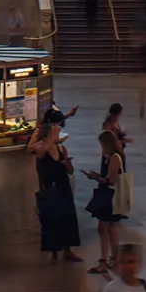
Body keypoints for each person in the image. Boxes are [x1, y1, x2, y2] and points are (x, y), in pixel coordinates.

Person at [31, 107, 84, 263]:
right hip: (50, 188)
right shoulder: (42, 149)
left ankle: (67, 249)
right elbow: (40, 153)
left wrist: (67, 164)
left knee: (67, 218)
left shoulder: (62, 149)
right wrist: (50, 138)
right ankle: (54, 252)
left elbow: (71, 171)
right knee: (51, 220)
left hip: (63, 186)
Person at [84, 128, 129, 274]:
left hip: (109, 196)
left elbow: (111, 180)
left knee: (103, 228)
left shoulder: (114, 158)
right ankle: (114, 258)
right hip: (108, 195)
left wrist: (95, 177)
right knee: (111, 227)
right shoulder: (109, 156)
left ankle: (103, 261)